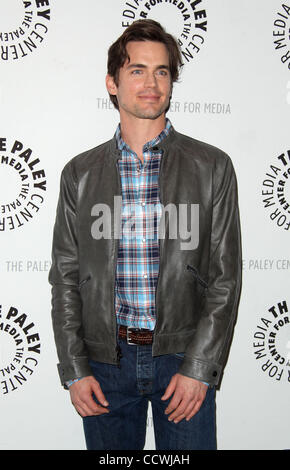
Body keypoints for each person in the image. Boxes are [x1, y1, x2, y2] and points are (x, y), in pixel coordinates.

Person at [49, 19, 242, 451]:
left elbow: (225, 279)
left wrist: (200, 366)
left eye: (162, 71)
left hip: (181, 356)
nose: (151, 82)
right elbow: (64, 277)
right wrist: (75, 369)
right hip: (104, 362)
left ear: (172, 82)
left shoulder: (212, 167)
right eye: (137, 70)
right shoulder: (79, 174)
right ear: (112, 83)